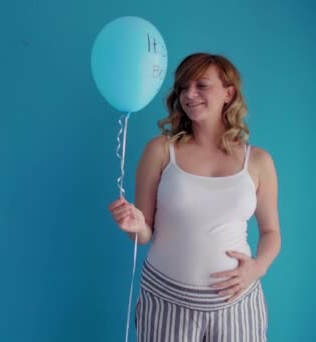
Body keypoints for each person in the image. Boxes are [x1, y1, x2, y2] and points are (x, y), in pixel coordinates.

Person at [108, 52, 281, 341]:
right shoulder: (160, 151)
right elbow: (145, 234)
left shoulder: (259, 161)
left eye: (202, 85)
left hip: (236, 304)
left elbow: (271, 231)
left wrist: (258, 267)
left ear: (229, 93)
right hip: (166, 300)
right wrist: (136, 225)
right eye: (183, 87)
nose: (190, 94)